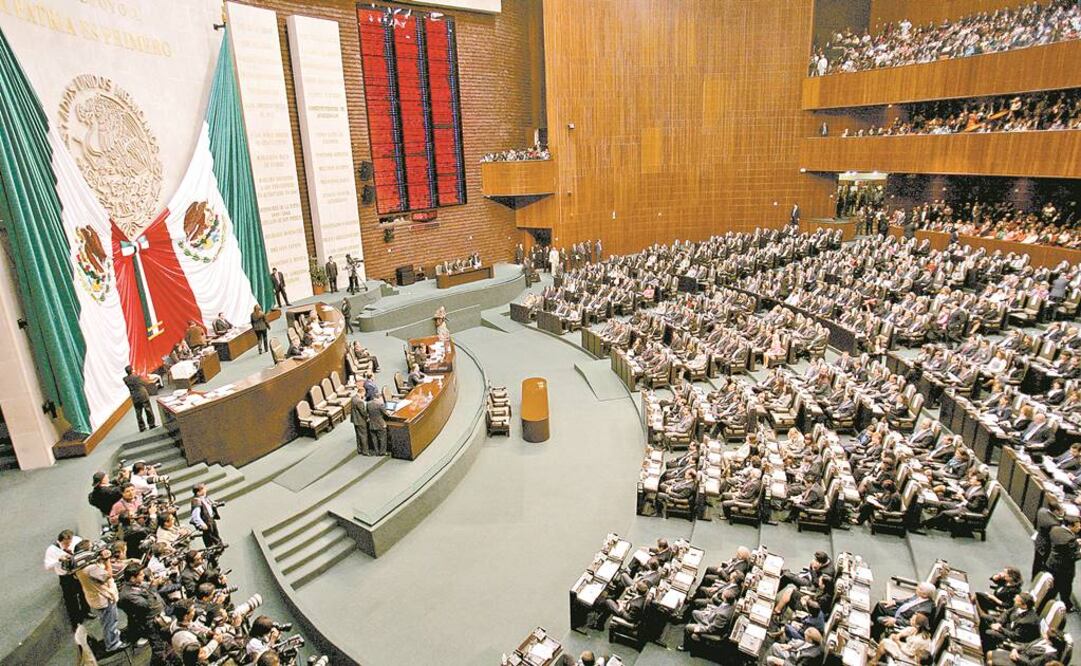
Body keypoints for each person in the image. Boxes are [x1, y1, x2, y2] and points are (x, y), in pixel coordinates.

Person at [73, 541, 125, 652]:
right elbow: (108, 574)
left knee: (106, 621)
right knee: (110, 622)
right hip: (104, 598)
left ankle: (112, 639)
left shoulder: (79, 568)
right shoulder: (91, 568)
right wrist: (107, 560)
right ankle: (113, 644)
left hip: (94, 597)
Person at [43, 530, 90, 628]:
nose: (68, 546)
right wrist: (58, 560)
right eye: (65, 544)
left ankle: (86, 611)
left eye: (69, 543)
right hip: (65, 576)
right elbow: (47, 566)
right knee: (70, 599)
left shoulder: (76, 540)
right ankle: (76, 620)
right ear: (60, 541)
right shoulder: (51, 550)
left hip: (77, 572)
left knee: (83, 592)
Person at [1047, 516, 1081, 610]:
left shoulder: (1055, 529)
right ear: (1070, 526)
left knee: (1053, 586)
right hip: (1064, 569)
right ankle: (1067, 606)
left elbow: (1063, 544)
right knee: (1065, 588)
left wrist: (1076, 543)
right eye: (1077, 526)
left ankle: (1046, 602)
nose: (1079, 528)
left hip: (1053, 563)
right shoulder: (1070, 539)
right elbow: (1074, 556)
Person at [123, 365, 157, 432]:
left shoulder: (125, 379)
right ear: (132, 370)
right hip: (142, 395)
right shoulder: (137, 377)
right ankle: (151, 424)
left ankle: (142, 427)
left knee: (138, 413)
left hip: (134, 397)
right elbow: (145, 383)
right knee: (148, 410)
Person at [190, 483, 222, 548]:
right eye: (203, 489)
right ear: (198, 492)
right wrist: (201, 524)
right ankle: (211, 549)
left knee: (215, 533)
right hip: (206, 521)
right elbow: (195, 516)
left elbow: (209, 504)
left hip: (210, 519)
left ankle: (219, 545)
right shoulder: (196, 501)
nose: (205, 489)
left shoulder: (204, 498)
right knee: (209, 536)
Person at [366, 386, 392, 456]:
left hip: (372, 424)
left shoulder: (368, 404)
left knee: (374, 439)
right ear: (379, 397)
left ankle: (376, 451)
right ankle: (382, 452)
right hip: (380, 424)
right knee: (382, 439)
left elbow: (367, 413)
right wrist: (389, 412)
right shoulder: (380, 404)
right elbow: (387, 414)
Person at [351, 387, 371, 456]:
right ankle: (365, 451)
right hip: (360, 421)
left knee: (358, 435)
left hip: (355, 420)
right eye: (364, 394)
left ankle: (359, 449)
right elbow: (363, 412)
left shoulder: (353, 398)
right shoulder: (360, 401)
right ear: (362, 392)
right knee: (363, 436)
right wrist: (367, 417)